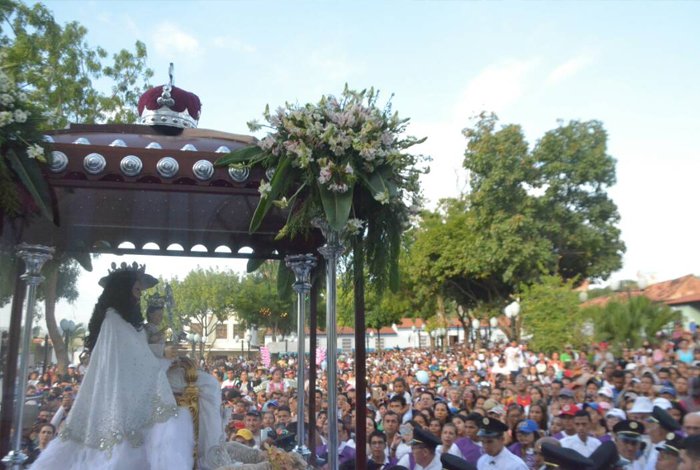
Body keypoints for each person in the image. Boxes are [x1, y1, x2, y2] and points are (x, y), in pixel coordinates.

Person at [32, 262, 195, 470]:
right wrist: (162, 353)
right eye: (137, 290)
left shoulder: (125, 320)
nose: (140, 296)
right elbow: (132, 356)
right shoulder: (113, 320)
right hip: (121, 397)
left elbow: (138, 349)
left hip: (129, 388)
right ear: (123, 290)